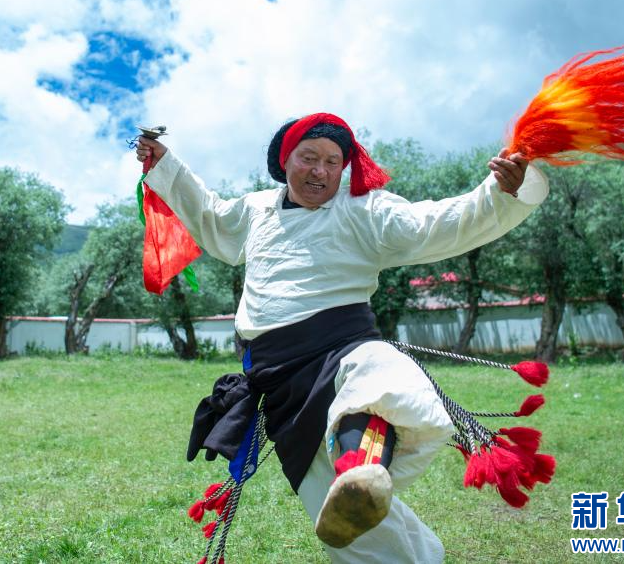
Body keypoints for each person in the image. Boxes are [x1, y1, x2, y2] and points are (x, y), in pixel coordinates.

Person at [136, 112, 548, 563]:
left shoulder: (365, 210)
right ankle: (382, 517)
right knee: (341, 518)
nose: (321, 170)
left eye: (333, 161)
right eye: (309, 157)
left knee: (378, 373)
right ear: (284, 161)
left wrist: (501, 191)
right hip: (278, 381)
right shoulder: (255, 210)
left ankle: (360, 467)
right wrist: (165, 164)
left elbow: (437, 222)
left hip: (344, 348)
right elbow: (208, 214)